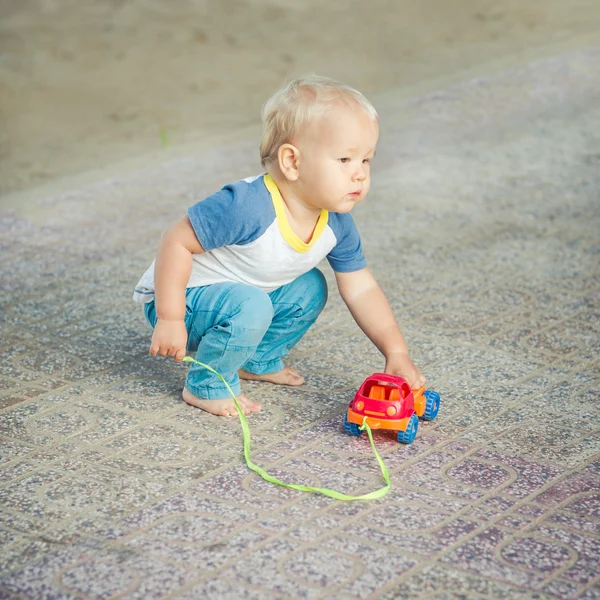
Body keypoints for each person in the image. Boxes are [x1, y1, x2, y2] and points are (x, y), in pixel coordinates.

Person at [133, 75, 425, 417]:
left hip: (242, 297)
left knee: (311, 286)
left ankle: (256, 359)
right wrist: (170, 317)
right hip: (182, 297)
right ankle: (206, 385)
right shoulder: (247, 206)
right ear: (292, 162)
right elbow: (175, 240)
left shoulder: (336, 223)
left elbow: (361, 289)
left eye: (366, 160)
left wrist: (396, 352)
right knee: (251, 305)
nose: (359, 173)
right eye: (345, 160)